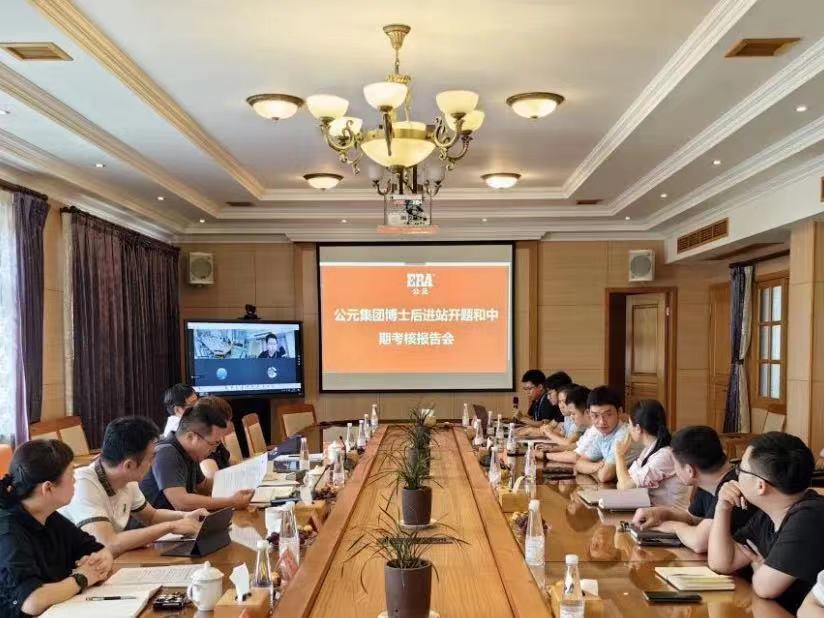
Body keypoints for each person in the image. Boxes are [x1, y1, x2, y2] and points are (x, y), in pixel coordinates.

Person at [708, 432, 824, 614]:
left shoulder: (810, 515)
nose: (736, 476)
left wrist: (759, 567)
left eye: (740, 469)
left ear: (760, 486)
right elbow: (721, 563)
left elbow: (765, 588)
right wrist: (722, 508)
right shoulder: (768, 515)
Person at [60, 417, 207, 557]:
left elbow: (152, 516)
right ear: (129, 465)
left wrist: (185, 516)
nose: (152, 464)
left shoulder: (128, 481)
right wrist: (171, 526)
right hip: (73, 568)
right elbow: (107, 543)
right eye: (150, 458)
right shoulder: (83, 484)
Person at [0, 440, 113, 616]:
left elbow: (98, 550)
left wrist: (99, 564)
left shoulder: (48, 515)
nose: (75, 480)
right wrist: (82, 578)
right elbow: (31, 601)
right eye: (71, 474)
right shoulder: (8, 531)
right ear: (48, 488)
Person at [632, 426, 754, 553]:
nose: (674, 468)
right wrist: (660, 513)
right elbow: (692, 518)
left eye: (675, 464)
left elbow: (700, 542)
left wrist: (673, 527)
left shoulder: (732, 486)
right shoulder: (707, 481)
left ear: (689, 470)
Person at [139, 402, 254, 512]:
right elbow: (181, 503)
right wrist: (231, 502)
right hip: (157, 524)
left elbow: (203, 486)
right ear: (191, 437)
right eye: (213, 443)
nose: (214, 450)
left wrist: (240, 482)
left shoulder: (190, 453)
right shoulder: (166, 453)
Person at [614, 400, 689, 508]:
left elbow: (625, 487)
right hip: (653, 513)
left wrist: (619, 455)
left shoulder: (665, 455)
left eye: (629, 424)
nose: (628, 429)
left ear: (638, 428)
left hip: (672, 515)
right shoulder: (648, 451)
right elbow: (622, 483)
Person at [562, 386, 639, 483]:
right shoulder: (601, 433)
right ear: (589, 413)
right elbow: (578, 463)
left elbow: (604, 476)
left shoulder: (624, 434)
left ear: (619, 412)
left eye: (608, 415)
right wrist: (597, 466)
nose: (601, 422)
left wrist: (592, 469)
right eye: (595, 416)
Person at [196, 396, 241, 480]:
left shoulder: (217, 442)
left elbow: (234, 462)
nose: (228, 425)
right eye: (224, 423)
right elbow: (215, 480)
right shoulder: (203, 453)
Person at [542, 385, 591, 450]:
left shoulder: (583, 423)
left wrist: (548, 433)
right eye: (559, 402)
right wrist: (553, 448)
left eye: (564, 401)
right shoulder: (567, 417)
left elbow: (569, 443)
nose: (561, 406)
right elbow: (576, 445)